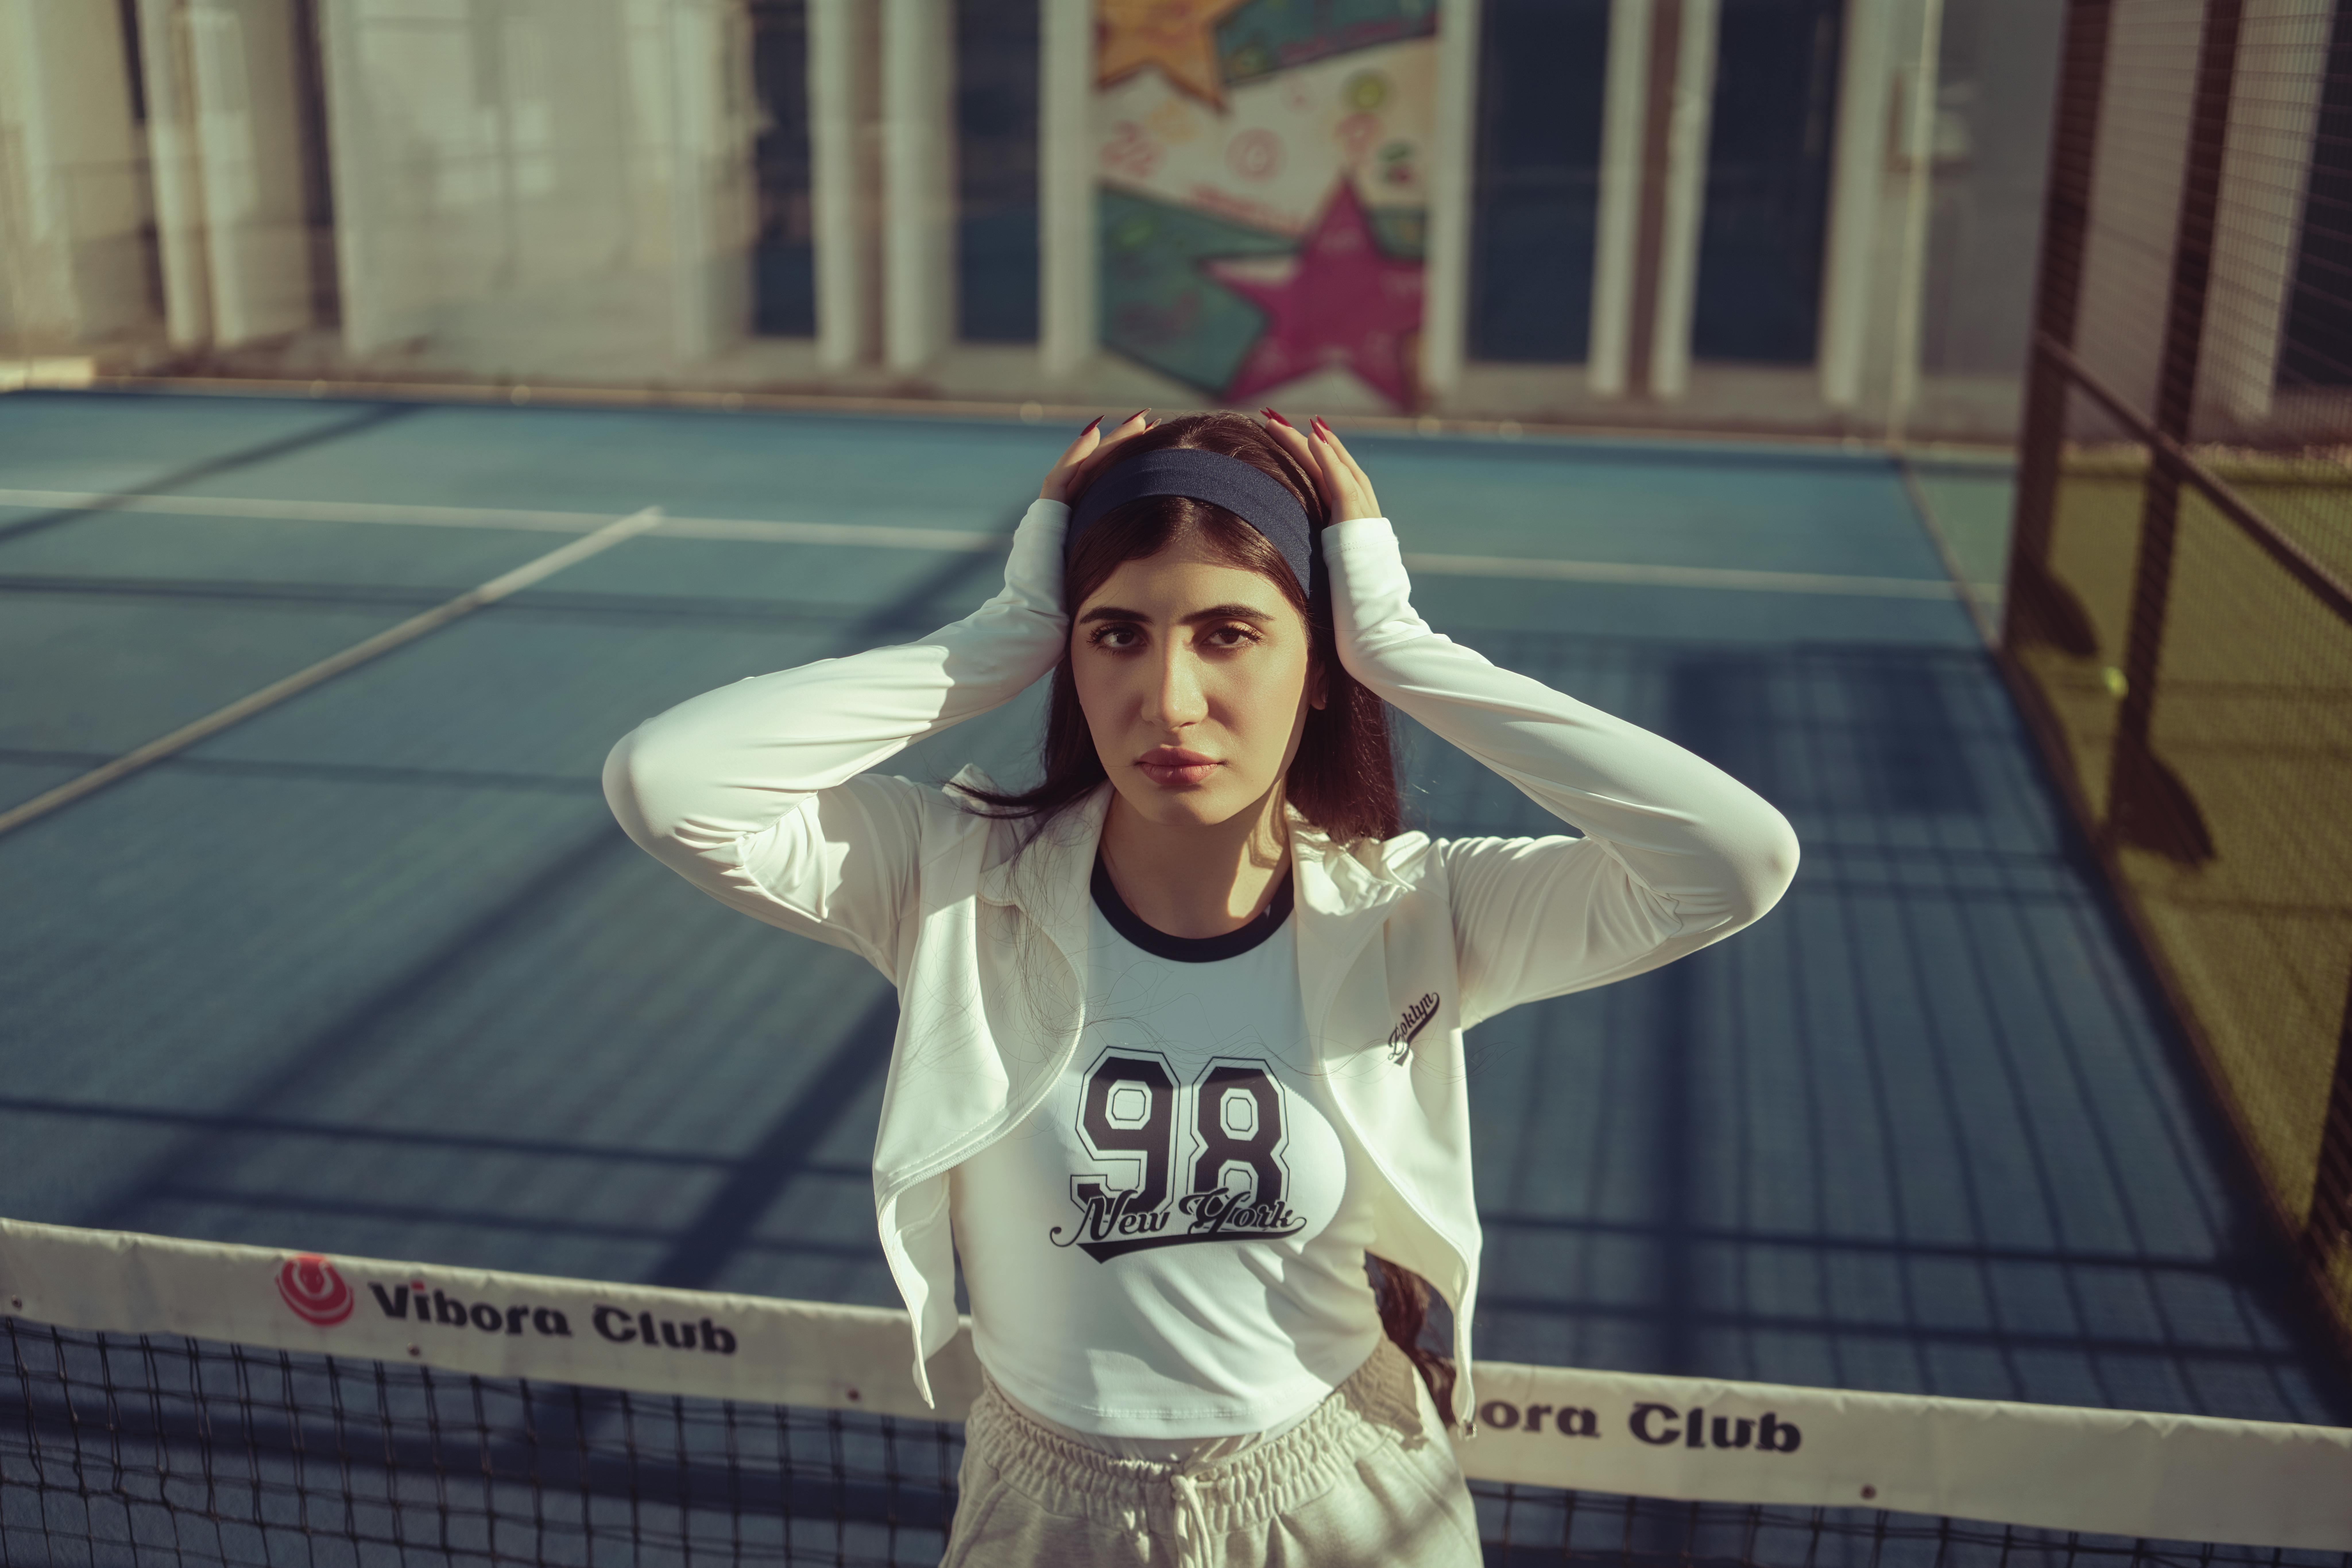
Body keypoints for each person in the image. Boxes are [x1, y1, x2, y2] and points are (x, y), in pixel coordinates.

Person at [602, 408, 1799, 1566]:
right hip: (1045, 1514)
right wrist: (1005, 629)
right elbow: (666, 783)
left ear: (1318, 666)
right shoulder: (946, 881)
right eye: (1116, 633)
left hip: (1346, 1504)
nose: (1168, 700)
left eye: (1229, 633)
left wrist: (1396, 646)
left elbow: (1732, 861)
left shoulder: (1415, 908)